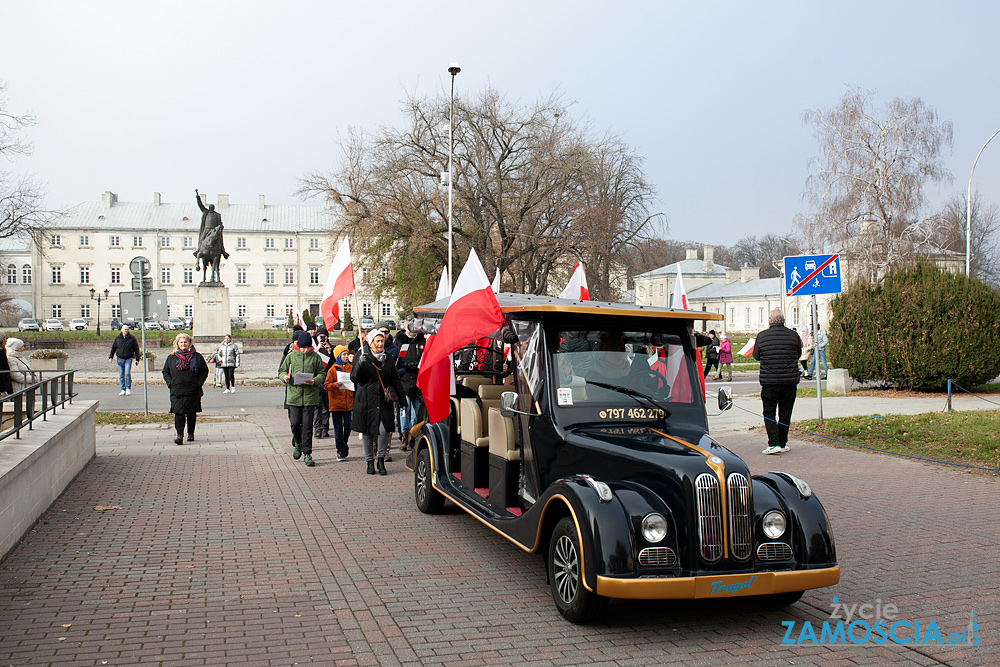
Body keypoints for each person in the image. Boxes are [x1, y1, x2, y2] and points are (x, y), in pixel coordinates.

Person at [351, 328, 405, 476]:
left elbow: (395, 379)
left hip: (383, 401)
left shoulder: (388, 358)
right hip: (366, 400)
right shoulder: (362, 355)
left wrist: (403, 400)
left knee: (384, 430)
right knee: (367, 433)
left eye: (382, 341)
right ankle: (369, 462)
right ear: (371, 342)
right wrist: (360, 365)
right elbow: (354, 378)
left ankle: (380, 460)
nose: (381, 344)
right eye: (378, 341)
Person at [753, 309, 802, 455]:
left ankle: (773, 443)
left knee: (769, 412)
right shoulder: (794, 335)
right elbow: (798, 354)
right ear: (784, 320)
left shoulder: (762, 336)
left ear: (769, 321)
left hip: (770, 381)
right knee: (785, 412)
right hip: (789, 381)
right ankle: (783, 442)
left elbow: (756, 356)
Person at [278, 331, 327, 467]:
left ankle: (307, 453)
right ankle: (298, 443)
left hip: (310, 397)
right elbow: (281, 370)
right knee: (294, 423)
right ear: (298, 346)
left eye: (307, 347)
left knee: (307, 426)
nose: (305, 350)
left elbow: (322, 373)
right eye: (303, 347)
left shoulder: (315, 357)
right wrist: (284, 377)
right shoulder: (291, 356)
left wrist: (315, 381)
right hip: (294, 396)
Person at [162, 333, 209, 445]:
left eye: (185, 342)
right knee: (179, 413)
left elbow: (204, 371)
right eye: (181, 342)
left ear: (189, 343)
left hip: (193, 389)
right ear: (177, 344)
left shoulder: (197, 357)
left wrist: (198, 383)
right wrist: (170, 383)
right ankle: (179, 435)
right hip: (177, 390)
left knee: (191, 412)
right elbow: (165, 371)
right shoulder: (172, 357)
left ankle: (191, 433)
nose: (183, 344)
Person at [393, 316, 426, 451]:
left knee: (416, 412)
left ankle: (413, 436)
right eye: (409, 325)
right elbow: (397, 361)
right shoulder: (400, 342)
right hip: (403, 381)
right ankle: (404, 436)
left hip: (417, 382)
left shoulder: (421, 341)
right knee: (403, 412)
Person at [323, 345, 354, 461]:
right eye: (344, 354)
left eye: (347, 354)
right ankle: (340, 450)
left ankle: (344, 443)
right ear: (339, 356)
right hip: (336, 404)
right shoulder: (333, 369)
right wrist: (335, 385)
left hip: (348, 403)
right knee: (337, 428)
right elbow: (326, 385)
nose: (346, 356)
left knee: (348, 426)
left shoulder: (351, 368)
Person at [108, 324, 140, 396]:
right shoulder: (118, 338)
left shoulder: (132, 338)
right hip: (120, 358)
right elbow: (113, 348)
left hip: (128, 358)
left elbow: (136, 349)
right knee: (121, 375)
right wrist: (111, 357)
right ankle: (122, 389)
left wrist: (137, 359)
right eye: (125, 329)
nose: (126, 331)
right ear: (121, 330)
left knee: (127, 373)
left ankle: (128, 388)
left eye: (127, 329)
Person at [313, 328, 333, 439]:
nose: (322, 338)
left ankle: (325, 427)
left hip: (328, 380)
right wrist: (317, 349)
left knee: (326, 406)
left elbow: (335, 363)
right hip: (317, 380)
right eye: (320, 336)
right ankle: (317, 428)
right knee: (317, 406)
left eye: (324, 336)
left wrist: (329, 352)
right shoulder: (314, 349)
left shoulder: (331, 348)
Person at [0, 331, 13, 397]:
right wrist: (3, 389)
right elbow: (2, 371)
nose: (6, 340)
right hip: (3, 388)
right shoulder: (1, 353)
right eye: (5, 338)